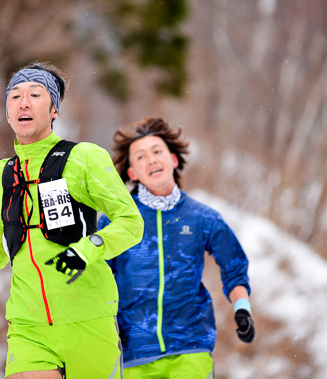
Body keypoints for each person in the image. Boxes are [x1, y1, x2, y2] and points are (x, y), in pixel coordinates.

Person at [0, 62, 144, 379]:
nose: (23, 102)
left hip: (87, 318)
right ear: (7, 111)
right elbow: (3, 238)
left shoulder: (84, 158)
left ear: (54, 109)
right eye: (15, 96)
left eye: (35, 95)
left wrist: (89, 247)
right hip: (28, 324)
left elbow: (130, 222)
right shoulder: (1, 175)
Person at [98, 117, 255, 378]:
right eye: (141, 156)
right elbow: (97, 275)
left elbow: (234, 267)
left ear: (173, 159)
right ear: (132, 173)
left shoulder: (202, 217)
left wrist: (243, 309)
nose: (151, 160)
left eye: (157, 152)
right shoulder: (118, 220)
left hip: (191, 348)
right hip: (134, 353)